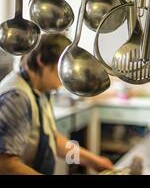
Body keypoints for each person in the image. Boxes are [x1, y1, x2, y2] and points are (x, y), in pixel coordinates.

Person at [0, 34, 113, 175]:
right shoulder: (17, 97)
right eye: (61, 69)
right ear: (42, 61)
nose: (64, 77)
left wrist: (93, 161)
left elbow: (52, 140)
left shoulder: (40, 90)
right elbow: (5, 164)